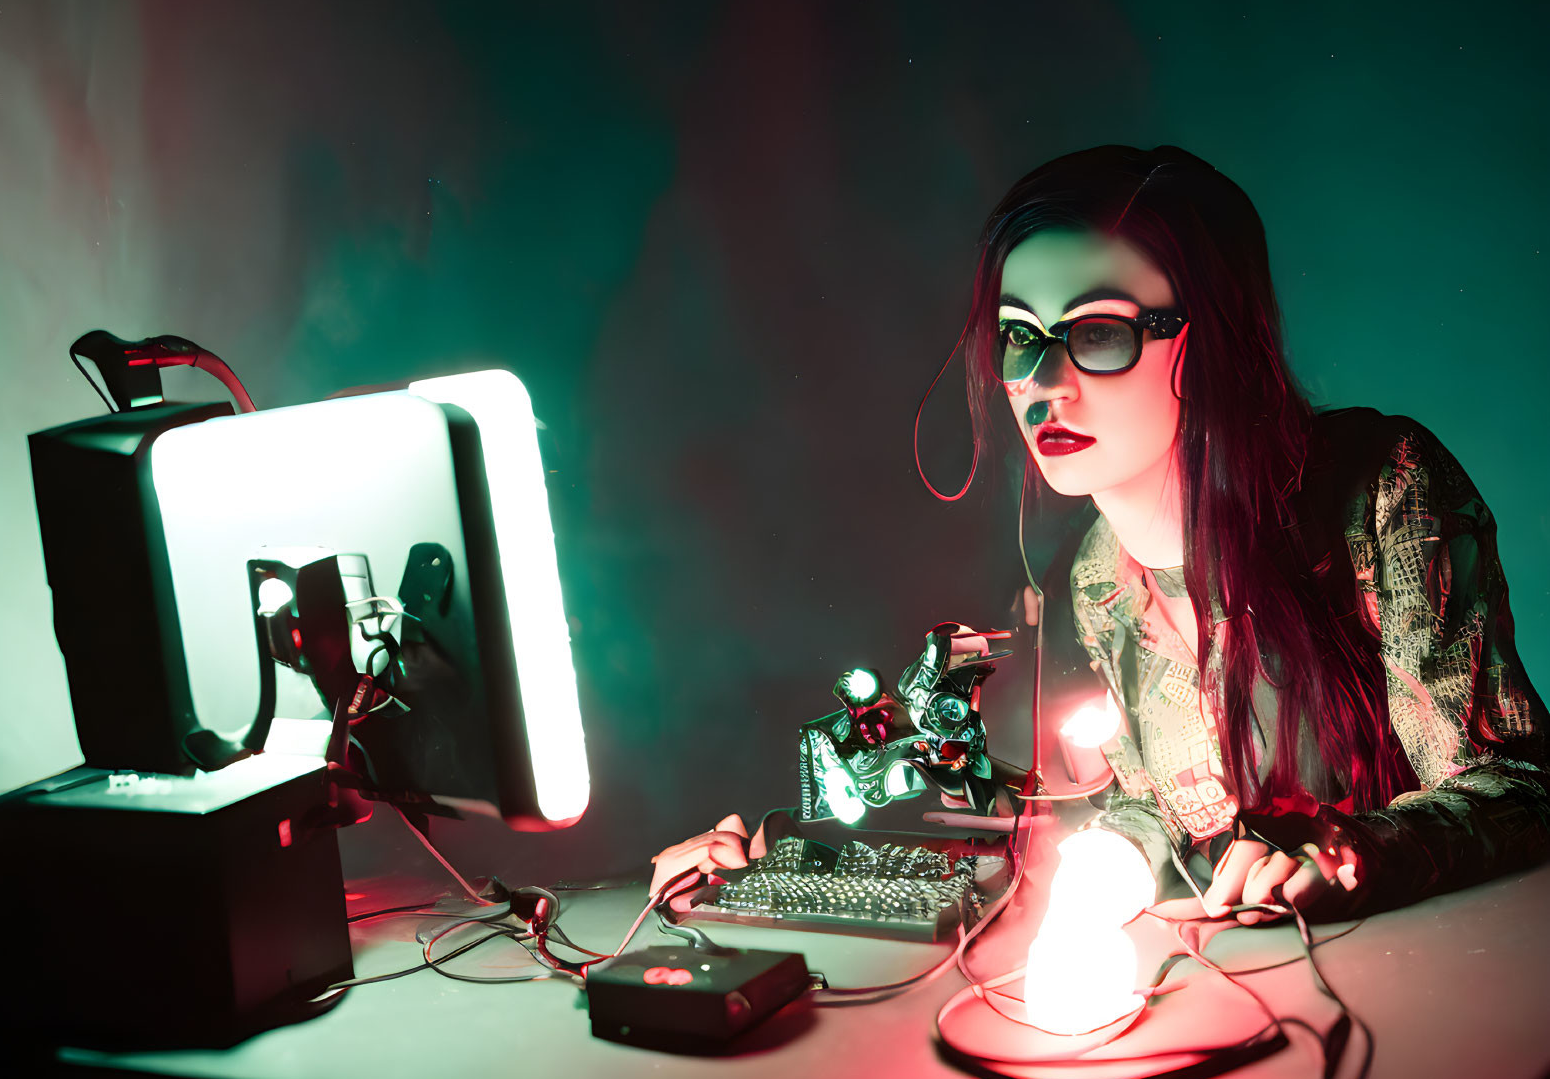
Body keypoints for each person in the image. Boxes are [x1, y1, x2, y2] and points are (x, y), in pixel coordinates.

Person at [651, 143, 1550, 925]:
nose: (1043, 380)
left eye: (1098, 332)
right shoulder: (1096, 573)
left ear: (1215, 341)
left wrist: (1351, 856)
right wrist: (789, 845)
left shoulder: (1383, 484)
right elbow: (1154, 808)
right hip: (1255, 991)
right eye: (1017, 335)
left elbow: (1517, 783)